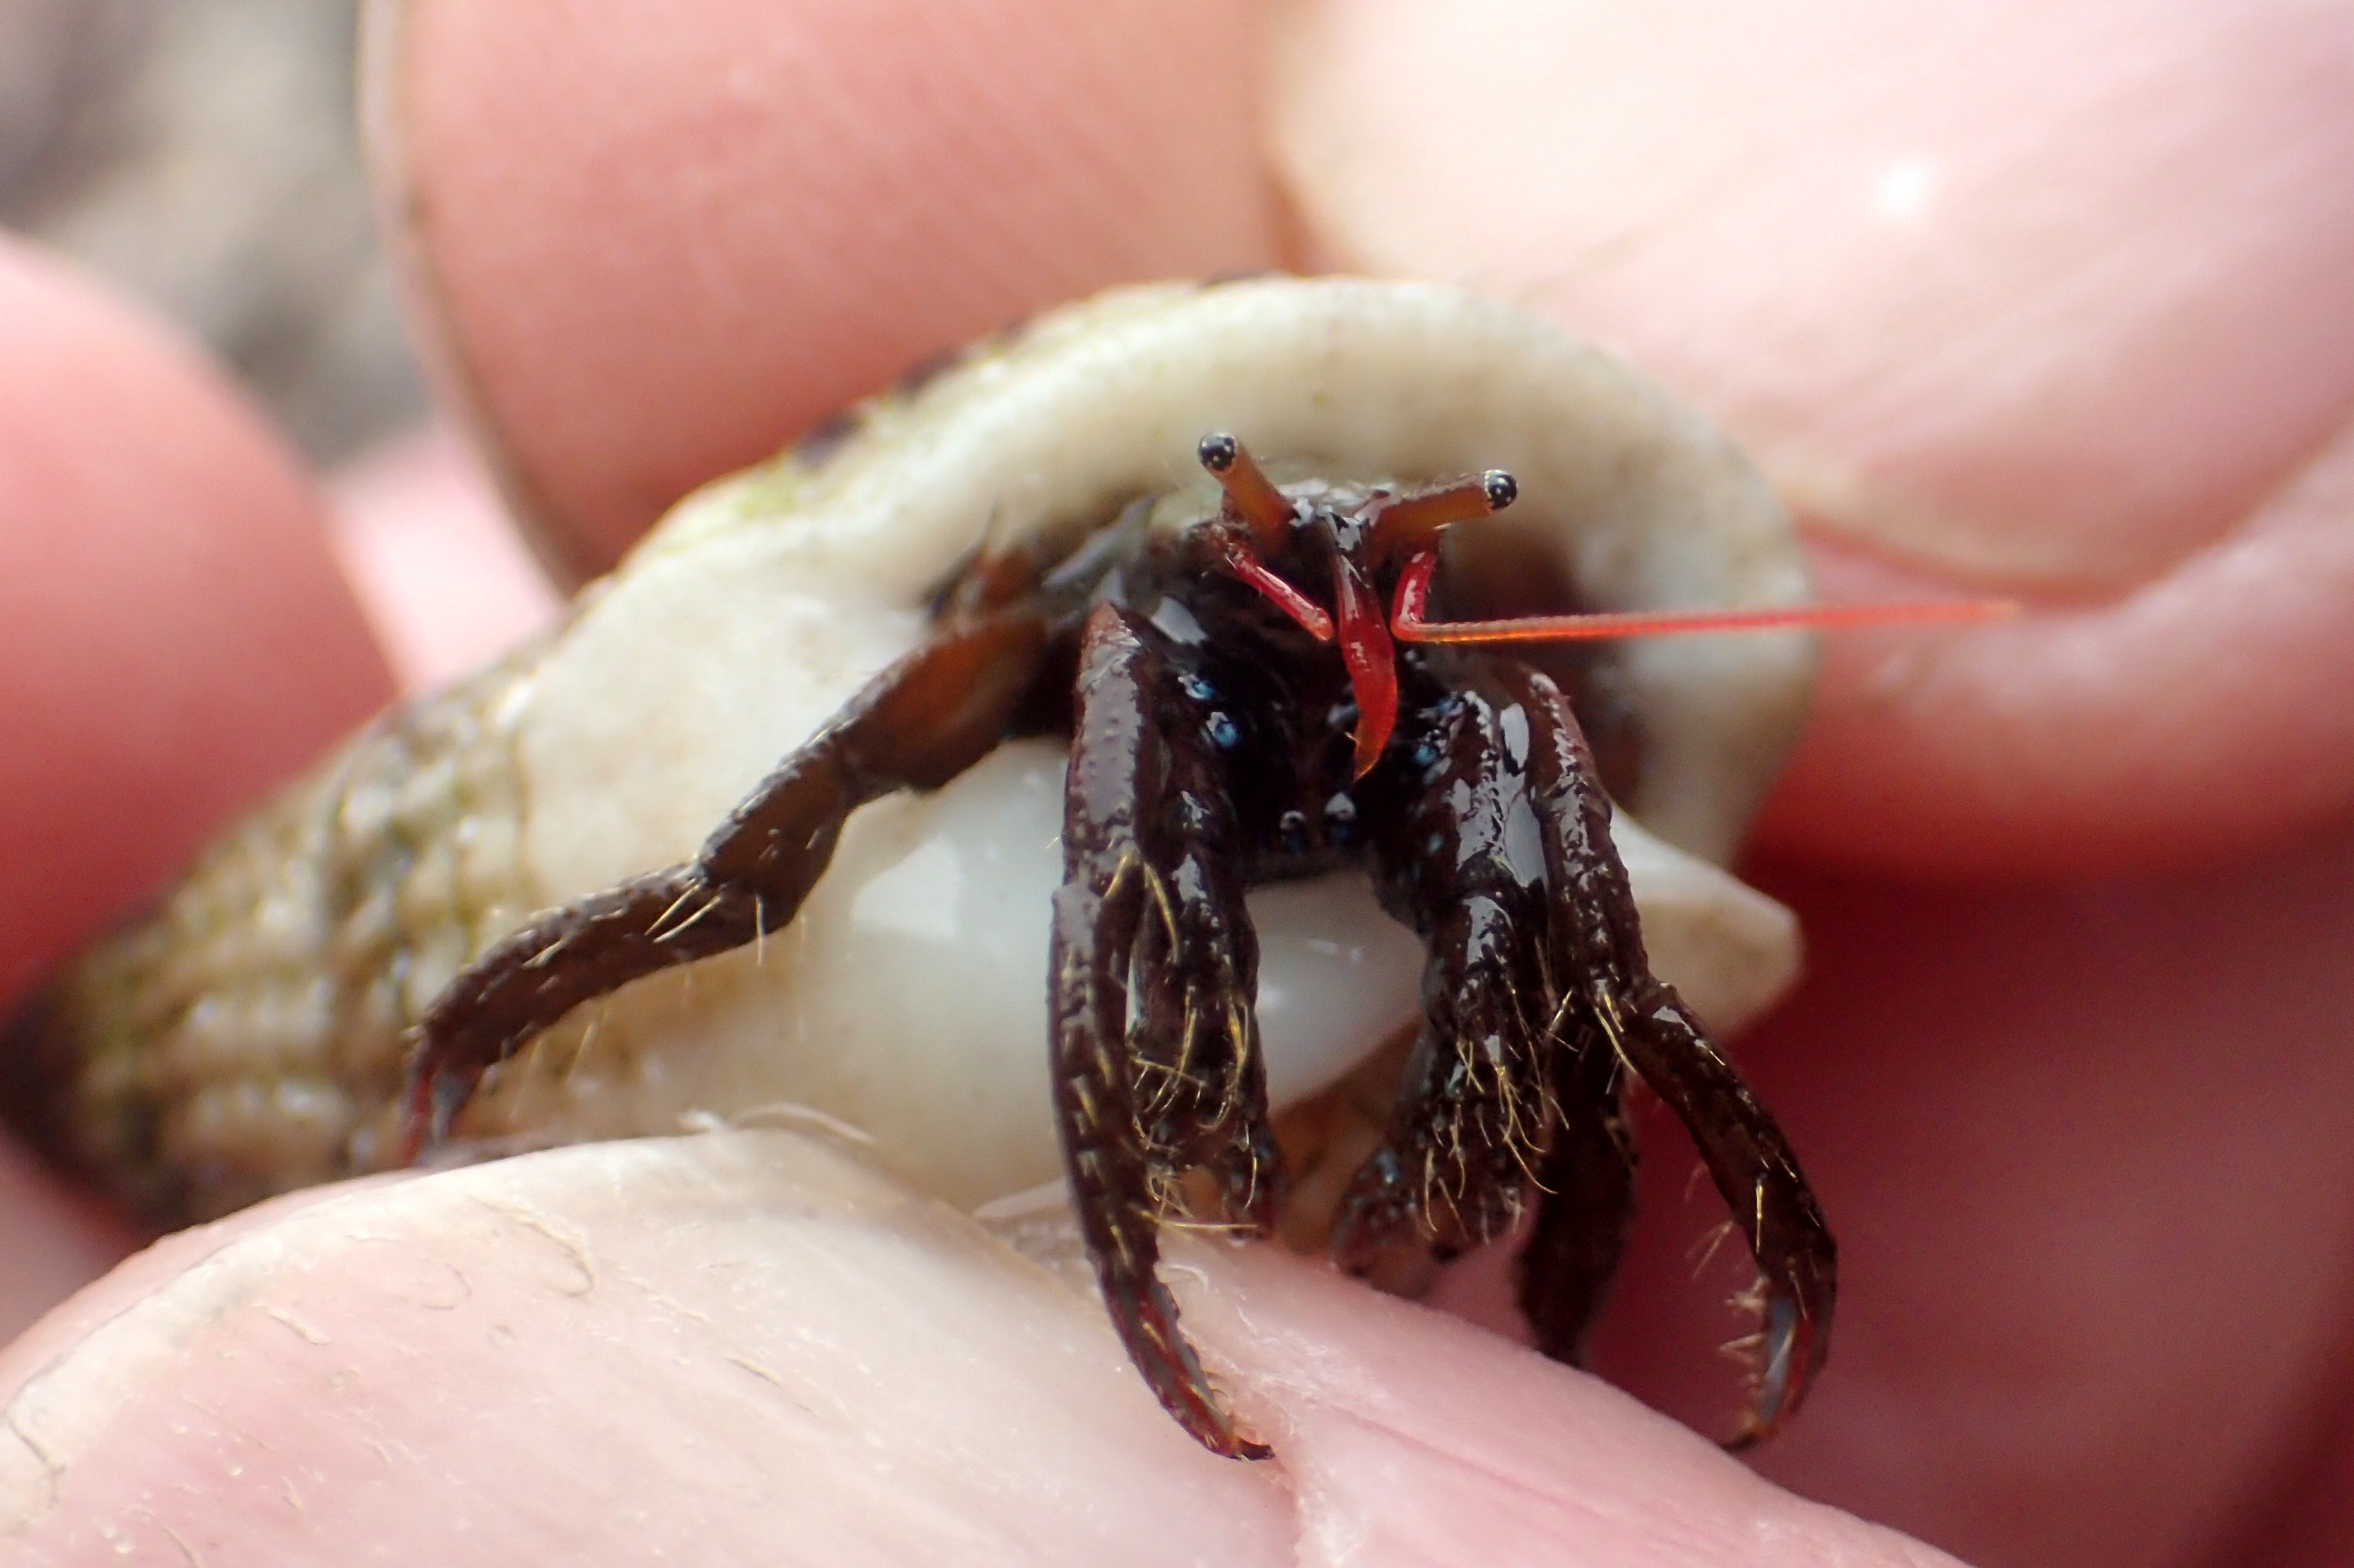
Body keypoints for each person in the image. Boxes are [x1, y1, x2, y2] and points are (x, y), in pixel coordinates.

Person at [3, 3, 2351, 1562]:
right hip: (998, 751)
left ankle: (1522, 1291)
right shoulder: (1116, 628)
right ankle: (1084, 1216)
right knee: (841, 833)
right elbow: (787, 843)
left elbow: (1571, 879)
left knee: (1525, 802)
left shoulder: (1466, 696)